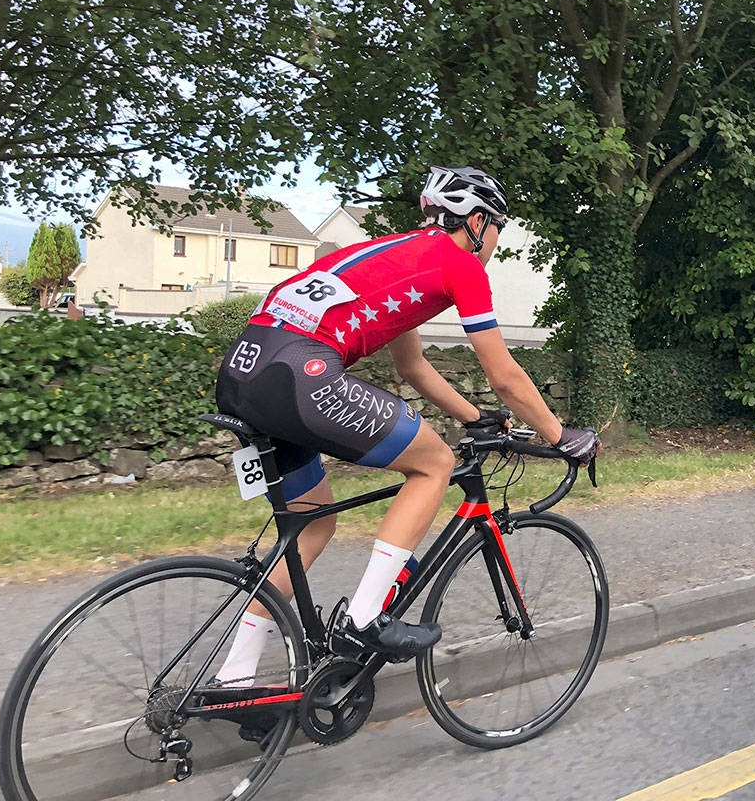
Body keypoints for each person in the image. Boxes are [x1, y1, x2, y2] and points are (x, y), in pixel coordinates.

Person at [211, 166, 600, 683]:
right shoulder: (459, 265)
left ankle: (232, 681)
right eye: (498, 228)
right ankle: (365, 617)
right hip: (299, 375)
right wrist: (560, 435)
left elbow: (410, 367)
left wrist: (474, 417)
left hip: (245, 372)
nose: (495, 243)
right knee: (435, 463)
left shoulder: (397, 257)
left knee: (314, 524)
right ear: (479, 222)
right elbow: (504, 375)